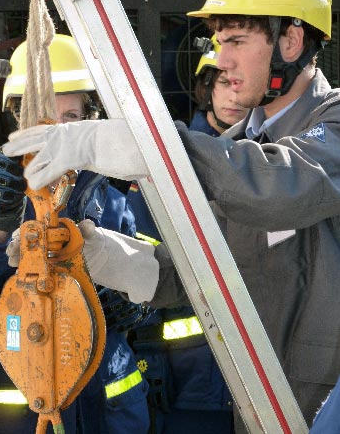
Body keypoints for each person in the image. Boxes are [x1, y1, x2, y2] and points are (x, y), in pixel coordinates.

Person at [3, 0, 339, 430]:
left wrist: (153, 148)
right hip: (262, 407)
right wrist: (103, 253)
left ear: (291, 40)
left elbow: (283, 185)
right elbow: (206, 269)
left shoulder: (330, 126)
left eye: (238, 40)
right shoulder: (235, 148)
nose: (221, 59)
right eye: (218, 41)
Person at [0, 34, 150, 434]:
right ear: (18, 118)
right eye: (44, 117)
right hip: (16, 413)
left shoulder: (111, 198)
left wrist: (132, 304)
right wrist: (1, 218)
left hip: (105, 409)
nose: (57, 133)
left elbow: (151, 280)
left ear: (90, 121)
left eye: (71, 119)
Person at [126, 36, 248, 434]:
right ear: (205, 87)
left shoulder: (270, 160)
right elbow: (142, 263)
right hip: (185, 378)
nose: (233, 95)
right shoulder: (167, 164)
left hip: (257, 372)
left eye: (239, 82)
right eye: (222, 82)